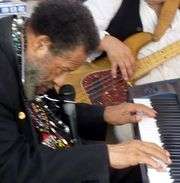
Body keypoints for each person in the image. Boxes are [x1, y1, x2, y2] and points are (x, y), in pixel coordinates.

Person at [0, 0, 171, 182]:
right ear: (42, 44)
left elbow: (45, 110)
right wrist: (105, 156)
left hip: (56, 153)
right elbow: (11, 168)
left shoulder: (24, 43)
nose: (60, 82)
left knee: (145, 166)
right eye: (62, 69)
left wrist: (104, 114)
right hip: (35, 169)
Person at [84, 0, 180, 84]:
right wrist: (107, 42)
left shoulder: (177, 18)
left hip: (164, 100)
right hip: (97, 86)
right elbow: (74, 28)